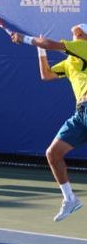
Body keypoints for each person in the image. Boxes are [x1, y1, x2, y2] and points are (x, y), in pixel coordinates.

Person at [11, 23, 87, 222]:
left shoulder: (84, 48)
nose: (75, 33)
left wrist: (26, 39)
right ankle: (70, 199)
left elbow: (51, 44)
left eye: (79, 32)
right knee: (53, 154)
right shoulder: (71, 62)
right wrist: (40, 50)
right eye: (75, 32)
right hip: (81, 114)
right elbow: (46, 74)